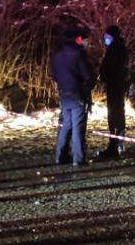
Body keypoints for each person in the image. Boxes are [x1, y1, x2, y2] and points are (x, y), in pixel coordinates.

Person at [51, 26, 95, 166]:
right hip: (77, 93)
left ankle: (60, 156)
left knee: (66, 125)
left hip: (64, 93)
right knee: (78, 126)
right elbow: (88, 75)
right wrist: (89, 84)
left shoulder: (57, 55)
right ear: (77, 38)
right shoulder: (79, 54)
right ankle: (79, 158)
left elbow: (55, 75)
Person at [97, 25, 129, 159]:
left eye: (107, 36)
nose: (105, 39)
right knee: (118, 115)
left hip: (115, 87)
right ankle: (118, 144)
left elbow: (109, 68)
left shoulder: (115, 50)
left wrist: (103, 76)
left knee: (114, 116)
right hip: (118, 86)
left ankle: (114, 146)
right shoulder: (120, 48)